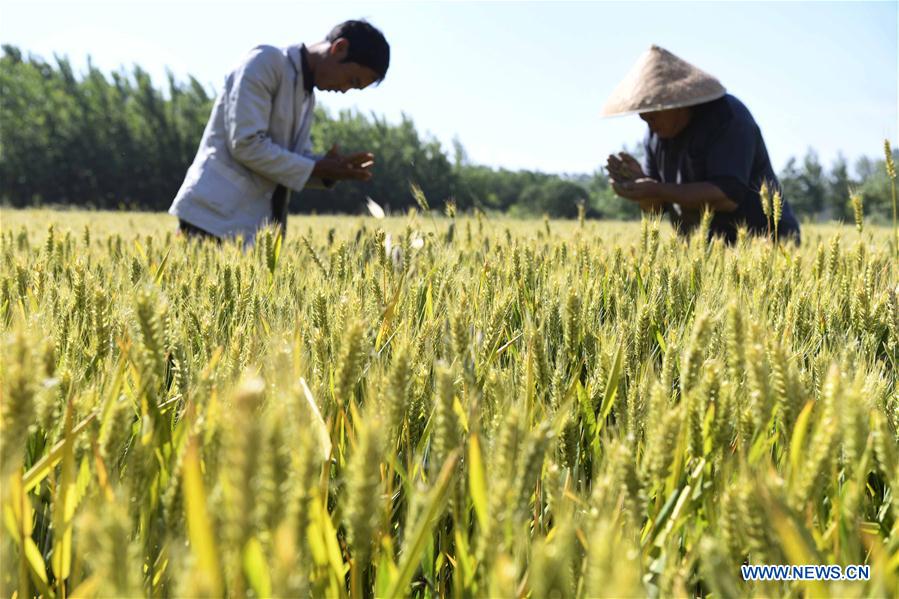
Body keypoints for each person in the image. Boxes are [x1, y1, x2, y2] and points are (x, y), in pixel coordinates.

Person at [169, 20, 389, 243]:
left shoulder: (307, 97)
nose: (344, 90)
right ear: (339, 48)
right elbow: (246, 144)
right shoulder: (265, 62)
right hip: (210, 219)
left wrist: (329, 170)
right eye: (352, 80)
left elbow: (292, 159)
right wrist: (317, 167)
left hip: (252, 231)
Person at [602, 45, 800, 244]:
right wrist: (637, 187)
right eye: (643, 115)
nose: (647, 120)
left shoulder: (727, 118)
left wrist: (656, 189)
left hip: (766, 245)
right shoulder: (655, 134)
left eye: (653, 113)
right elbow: (656, 208)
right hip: (702, 251)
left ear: (677, 102)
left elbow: (726, 196)